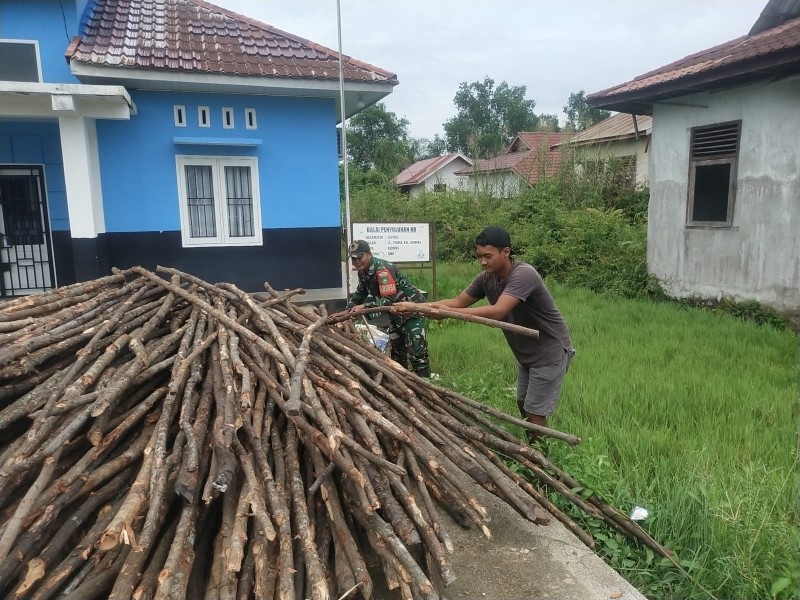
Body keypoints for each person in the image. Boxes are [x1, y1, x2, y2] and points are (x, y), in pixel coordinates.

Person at [393, 226, 573, 438]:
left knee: (535, 412)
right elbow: (457, 302)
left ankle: (542, 460)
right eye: (480, 256)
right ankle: (533, 447)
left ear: (505, 252)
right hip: (526, 353)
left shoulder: (524, 274)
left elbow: (498, 311)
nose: (483, 262)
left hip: (549, 351)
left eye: (488, 256)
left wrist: (448, 313)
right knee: (523, 404)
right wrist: (418, 307)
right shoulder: (486, 278)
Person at [346, 240, 431, 378]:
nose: (357, 262)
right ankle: (405, 387)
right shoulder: (363, 272)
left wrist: (364, 307)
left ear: (369, 254)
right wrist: (347, 311)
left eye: (359, 257)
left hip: (412, 312)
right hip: (395, 313)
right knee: (397, 355)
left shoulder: (382, 270)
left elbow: (388, 299)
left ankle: (427, 388)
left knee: (417, 354)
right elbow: (360, 294)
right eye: (353, 259)